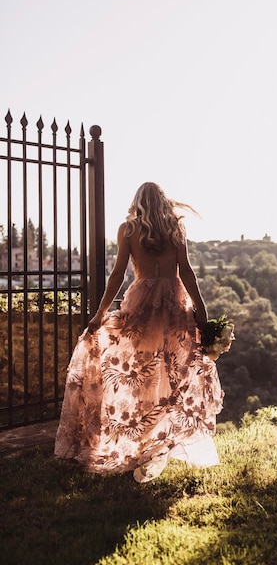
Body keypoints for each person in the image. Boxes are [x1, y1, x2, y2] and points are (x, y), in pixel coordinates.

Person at [54, 182, 224, 482]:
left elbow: (118, 273)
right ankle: (156, 440)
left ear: (138, 203)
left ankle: (142, 441)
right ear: (163, 202)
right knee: (171, 374)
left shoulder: (129, 230)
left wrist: (100, 314)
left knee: (138, 373)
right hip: (173, 305)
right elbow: (186, 271)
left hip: (143, 305)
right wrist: (201, 310)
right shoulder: (175, 229)